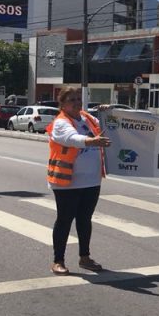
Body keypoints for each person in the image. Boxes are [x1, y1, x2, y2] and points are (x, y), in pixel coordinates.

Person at [46, 87, 112, 275]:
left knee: (85, 220)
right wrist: (91, 141)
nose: (76, 102)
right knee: (65, 220)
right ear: (63, 104)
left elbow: (108, 124)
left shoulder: (87, 118)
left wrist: (108, 111)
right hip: (67, 182)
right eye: (71, 100)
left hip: (91, 181)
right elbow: (71, 138)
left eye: (78, 99)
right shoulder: (61, 122)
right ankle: (58, 260)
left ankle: (85, 257)